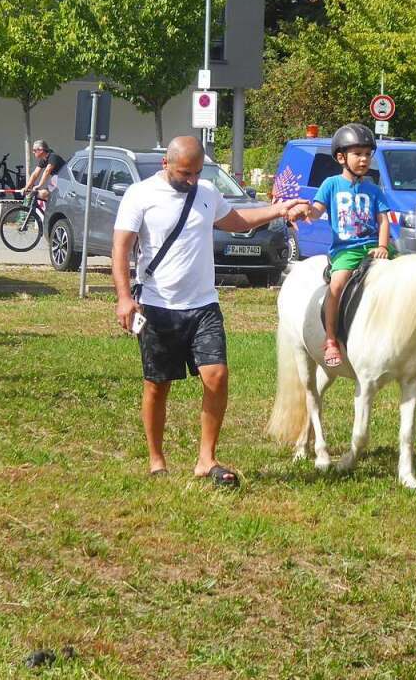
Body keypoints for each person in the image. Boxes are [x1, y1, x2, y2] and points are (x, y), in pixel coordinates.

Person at [112, 136, 310, 486]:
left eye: (196, 173)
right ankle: (156, 460)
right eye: (184, 173)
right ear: (166, 165)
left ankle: (206, 458)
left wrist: (279, 209)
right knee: (157, 385)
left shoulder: (206, 191)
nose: (190, 180)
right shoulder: (140, 195)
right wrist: (124, 298)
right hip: (158, 306)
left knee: (216, 376)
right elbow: (121, 248)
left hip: (203, 304)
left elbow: (238, 221)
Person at [299, 124, 394, 367]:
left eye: (367, 154)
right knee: (337, 285)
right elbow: (317, 209)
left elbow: (383, 219)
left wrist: (383, 246)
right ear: (341, 157)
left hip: (374, 247)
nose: (364, 159)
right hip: (346, 250)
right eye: (357, 154)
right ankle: (331, 339)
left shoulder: (374, 189)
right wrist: (305, 211)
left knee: (407, 273)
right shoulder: (331, 184)